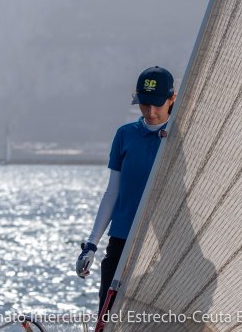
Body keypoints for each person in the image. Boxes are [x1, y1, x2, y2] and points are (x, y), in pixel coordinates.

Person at [75, 66, 177, 316]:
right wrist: (91, 245)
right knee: (108, 315)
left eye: (157, 105)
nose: (151, 112)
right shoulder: (125, 135)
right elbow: (112, 193)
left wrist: (172, 140)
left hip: (166, 242)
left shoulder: (181, 136)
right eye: (144, 104)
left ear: (172, 99)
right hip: (122, 241)